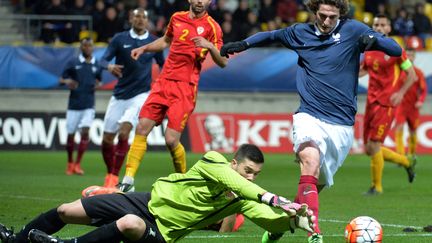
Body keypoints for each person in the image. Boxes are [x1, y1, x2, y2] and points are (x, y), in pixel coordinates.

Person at [219, 0, 403, 242]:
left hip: (341, 126)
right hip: (309, 115)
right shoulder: (300, 33)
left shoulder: (353, 30)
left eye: (332, 17)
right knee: (309, 159)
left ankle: (279, 227)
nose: (327, 22)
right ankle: (315, 233)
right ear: (314, 12)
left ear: (340, 15)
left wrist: (376, 40)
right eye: (323, 15)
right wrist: (243, 44)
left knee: (313, 187)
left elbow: (396, 50)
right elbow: (270, 35)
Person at [0, 144, 315, 243]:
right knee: (66, 210)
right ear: (233, 163)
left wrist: (291, 222)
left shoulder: (244, 199)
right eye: (246, 170)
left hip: (162, 231)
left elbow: (266, 220)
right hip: (145, 201)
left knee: (129, 225)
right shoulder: (214, 161)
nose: (249, 177)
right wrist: (274, 198)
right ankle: (14, 240)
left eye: (255, 175)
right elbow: (246, 188)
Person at [116, 0, 228, 192]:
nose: (200, 1)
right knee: (142, 127)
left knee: (171, 140)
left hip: (185, 88)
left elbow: (223, 61)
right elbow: (166, 41)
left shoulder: (213, 27)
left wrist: (209, 45)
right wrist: (144, 48)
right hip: (163, 82)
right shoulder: (176, 17)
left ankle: (182, 181)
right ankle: (128, 180)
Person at [99, 8, 165, 188]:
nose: (140, 19)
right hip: (119, 95)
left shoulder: (153, 41)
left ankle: (113, 176)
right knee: (106, 140)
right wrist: (109, 67)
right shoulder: (119, 39)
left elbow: (163, 64)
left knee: (124, 131)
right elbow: (102, 60)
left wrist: (162, 83)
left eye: (144, 17)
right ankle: (110, 170)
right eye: (137, 16)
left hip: (141, 95)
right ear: (131, 18)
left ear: (147, 20)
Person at [359, 14, 417, 196]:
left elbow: (412, 74)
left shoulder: (395, 49)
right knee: (369, 149)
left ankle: (376, 187)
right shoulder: (368, 48)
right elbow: (362, 71)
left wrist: (400, 93)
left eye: (383, 24)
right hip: (371, 101)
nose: (378, 27)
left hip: (386, 103)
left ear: (389, 28)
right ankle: (406, 162)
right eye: (376, 24)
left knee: (375, 144)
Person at [59, 37, 101, 176]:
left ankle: (77, 164)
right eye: (85, 46)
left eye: (90, 46)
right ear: (81, 48)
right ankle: (69, 162)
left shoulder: (97, 64)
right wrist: (67, 81)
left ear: (93, 48)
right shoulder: (73, 62)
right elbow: (61, 79)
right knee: (70, 135)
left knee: (85, 131)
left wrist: (97, 84)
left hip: (89, 104)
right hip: (74, 105)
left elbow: (99, 80)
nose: (88, 48)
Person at [394, 47, 427, 157]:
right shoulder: (399, 71)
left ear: (414, 57)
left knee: (413, 130)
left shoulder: (418, 73)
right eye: (407, 54)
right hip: (401, 105)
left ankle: (412, 154)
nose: (409, 57)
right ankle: (400, 154)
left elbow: (423, 90)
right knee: (399, 128)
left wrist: (420, 101)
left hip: (413, 107)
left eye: (411, 55)